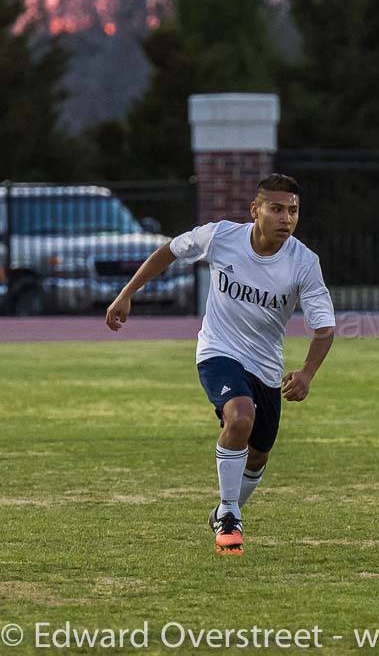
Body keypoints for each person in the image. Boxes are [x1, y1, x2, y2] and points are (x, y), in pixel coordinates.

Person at [105, 174, 336, 556]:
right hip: (217, 350)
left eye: (293, 210)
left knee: (259, 453)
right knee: (239, 417)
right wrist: (127, 295)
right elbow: (169, 251)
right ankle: (230, 516)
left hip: (265, 364)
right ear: (255, 210)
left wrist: (307, 373)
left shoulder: (304, 263)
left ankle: (225, 509)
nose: (286, 218)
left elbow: (324, 328)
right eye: (276, 209)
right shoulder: (220, 236)